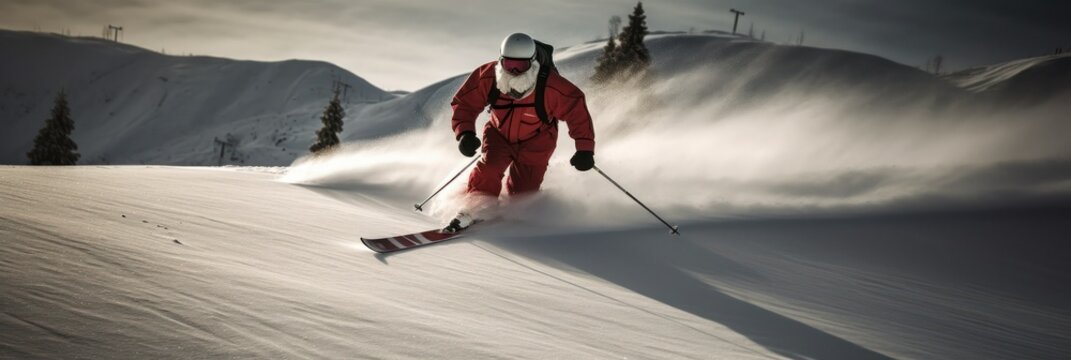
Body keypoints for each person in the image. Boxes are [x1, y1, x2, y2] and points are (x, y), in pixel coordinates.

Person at [444, 32, 596, 232]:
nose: (514, 71)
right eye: (509, 65)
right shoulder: (489, 75)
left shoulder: (549, 84)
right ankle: (473, 210)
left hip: (538, 139)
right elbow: (465, 103)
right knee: (489, 168)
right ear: (501, 61)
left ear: (532, 62)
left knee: (523, 192)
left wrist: (584, 149)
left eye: (521, 66)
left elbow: (576, 110)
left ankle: (512, 219)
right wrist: (465, 133)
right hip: (499, 134)